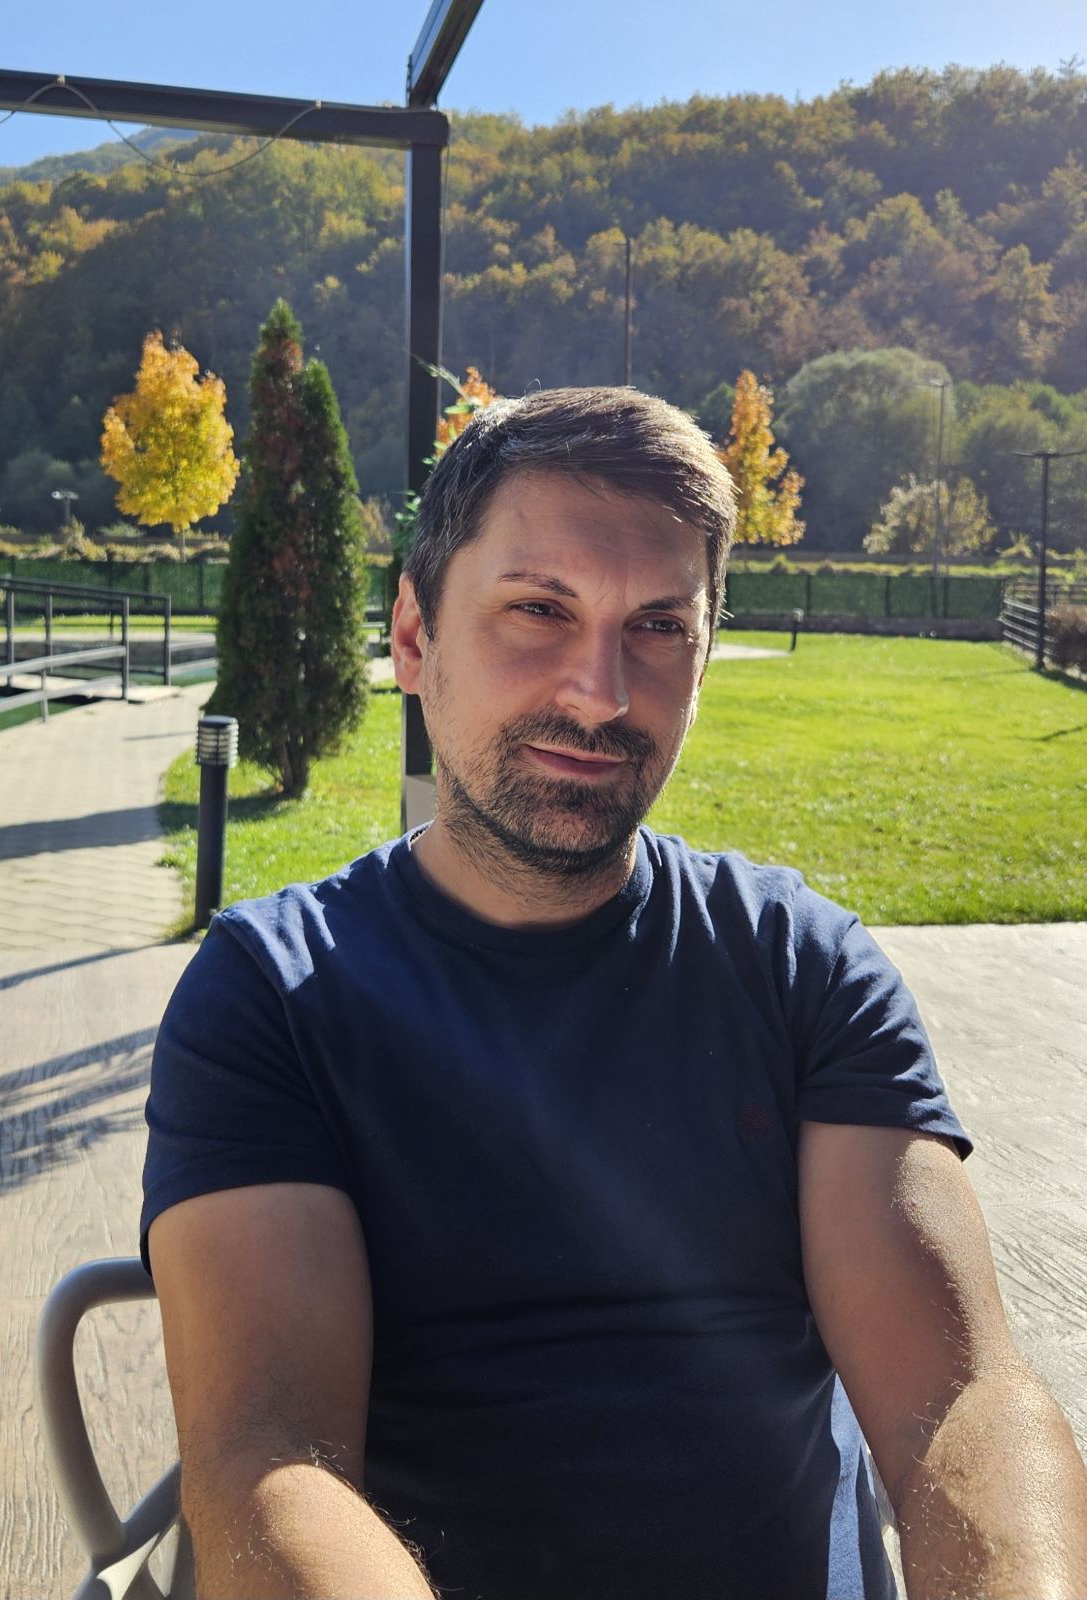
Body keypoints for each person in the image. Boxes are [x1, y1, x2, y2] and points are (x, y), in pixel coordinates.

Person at [142, 386, 1087, 1600]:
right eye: (539, 610)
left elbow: (957, 1400)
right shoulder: (274, 993)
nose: (600, 692)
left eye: (657, 626)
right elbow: (269, 1458)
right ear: (415, 638)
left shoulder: (799, 965)